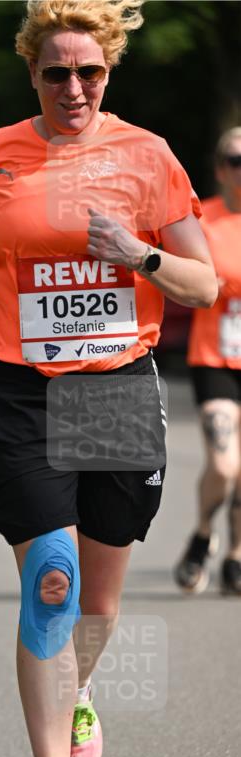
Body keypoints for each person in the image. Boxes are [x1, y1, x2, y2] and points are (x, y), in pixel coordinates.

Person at [0, 0, 217, 757]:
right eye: (55, 71)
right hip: (23, 387)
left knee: (98, 598)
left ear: (108, 71)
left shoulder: (147, 156)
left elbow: (202, 286)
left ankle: (78, 690)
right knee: (51, 580)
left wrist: (139, 257)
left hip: (114, 390)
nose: (72, 86)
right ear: (31, 72)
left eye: (88, 71)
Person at [175, 127, 241, 596]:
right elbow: (192, 285)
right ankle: (202, 534)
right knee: (222, 464)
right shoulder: (204, 222)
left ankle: (236, 555)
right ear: (221, 169)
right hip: (215, 357)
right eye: (236, 160)